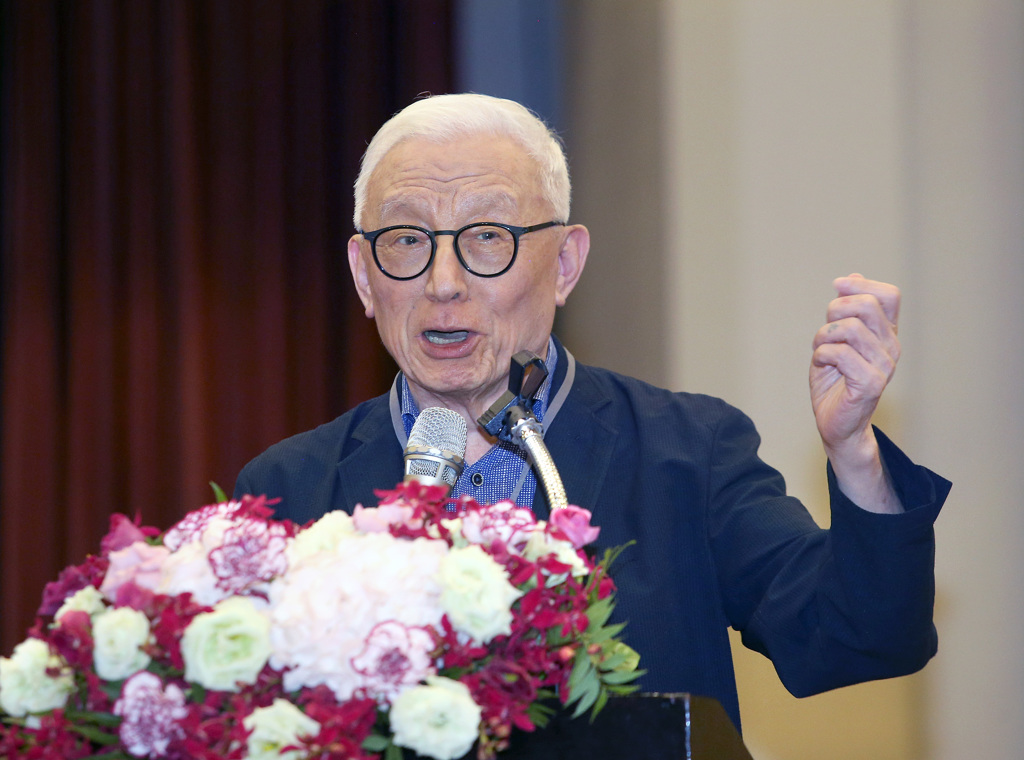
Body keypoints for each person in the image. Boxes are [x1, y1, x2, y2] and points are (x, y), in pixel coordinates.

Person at [234, 93, 950, 731]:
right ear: (365, 276)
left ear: (566, 264)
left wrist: (854, 451)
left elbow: (860, 640)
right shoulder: (290, 489)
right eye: (407, 241)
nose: (444, 283)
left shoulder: (687, 453)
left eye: (488, 236)